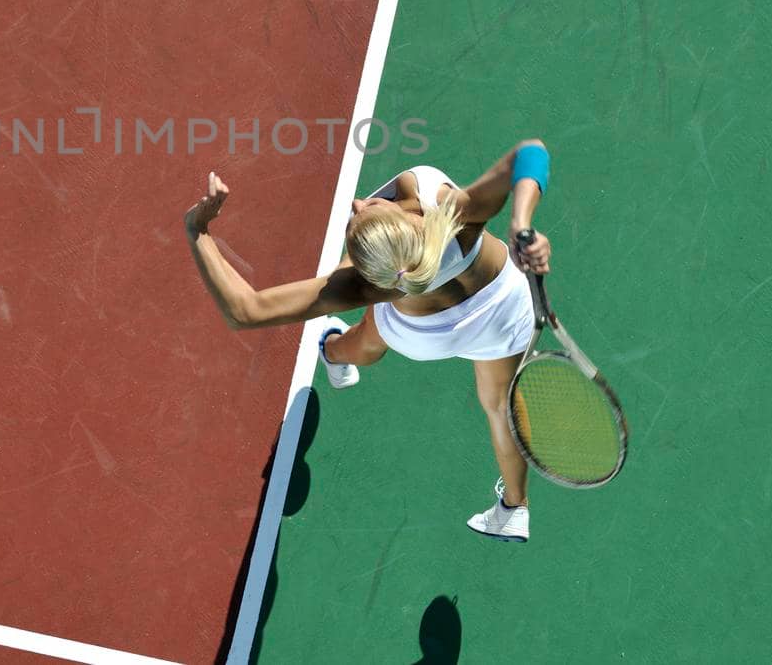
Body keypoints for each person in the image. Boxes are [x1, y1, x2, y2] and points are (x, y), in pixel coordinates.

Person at [183, 140, 552, 543]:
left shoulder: (366, 288)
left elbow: (245, 310)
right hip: (506, 309)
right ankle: (515, 508)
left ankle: (332, 353)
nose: (357, 204)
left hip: (426, 336)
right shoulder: (455, 212)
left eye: (358, 218)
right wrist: (521, 223)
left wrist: (197, 230)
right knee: (500, 407)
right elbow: (530, 153)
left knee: (363, 343)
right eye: (361, 215)